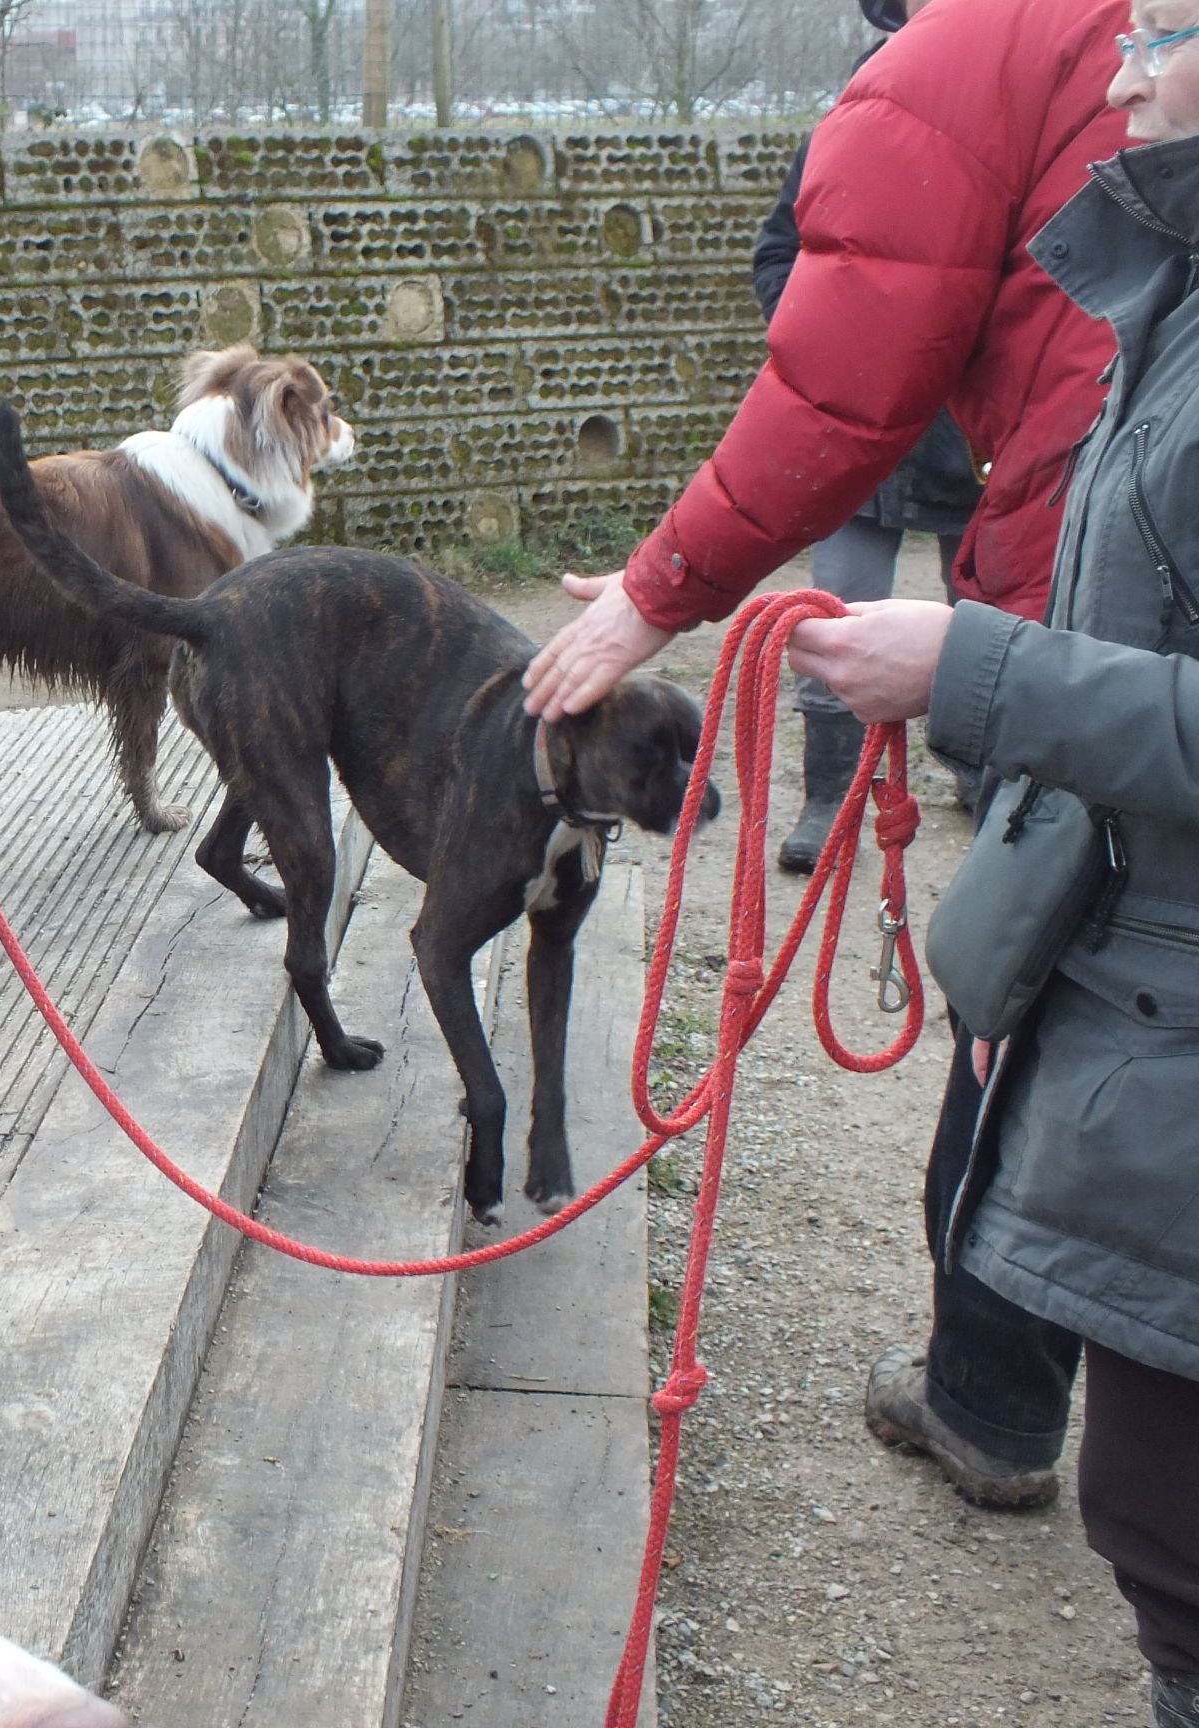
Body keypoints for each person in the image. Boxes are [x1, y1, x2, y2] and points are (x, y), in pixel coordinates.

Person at [522, 0, 1127, 1510]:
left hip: (1095, 561)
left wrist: (661, 587)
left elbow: (839, 376)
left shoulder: (958, 60)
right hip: (1070, 524)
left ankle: (993, 1394)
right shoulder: (1086, 53)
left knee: (1031, 979)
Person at [787, 14, 1199, 1716]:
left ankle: (984, 1401)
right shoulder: (1160, 287)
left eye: (1164, 29)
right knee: (1154, 1513)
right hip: (1133, 968)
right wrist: (1015, 955)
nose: (1119, 72)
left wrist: (972, 671)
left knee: (1170, 1522)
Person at [751, 0, 986, 871]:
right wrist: (828, 334)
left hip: (971, 431)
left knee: (987, 609)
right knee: (838, 609)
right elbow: (780, 252)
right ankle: (832, 793)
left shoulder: (1003, 134)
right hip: (861, 428)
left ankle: (984, 772)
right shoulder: (841, 129)